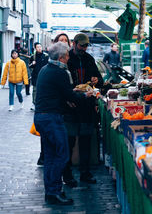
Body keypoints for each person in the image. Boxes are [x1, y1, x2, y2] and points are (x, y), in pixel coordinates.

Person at [34, 42, 92, 205]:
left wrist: (69, 95)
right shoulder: (59, 72)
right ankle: (54, 190)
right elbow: (69, 95)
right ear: (61, 58)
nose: (68, 58)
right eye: (67, 55)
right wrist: (86, 95)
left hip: (42, 117)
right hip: (52, 118)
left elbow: (58, 93)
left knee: (51, 156)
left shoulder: (46, 69)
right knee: (61, 154)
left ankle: (51, 192)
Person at [64, 33, 103, 184]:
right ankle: (67, 175)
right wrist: (67, 98)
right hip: (72, 105)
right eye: (82, 45)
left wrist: (97, 80)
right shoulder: (67, 59)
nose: (84, 48)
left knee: (86, 140)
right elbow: (63, 84)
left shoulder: (89, 59)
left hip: (86, 106)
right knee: (70, 141)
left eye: (86, 46)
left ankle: (85, 172)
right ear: (74, 44)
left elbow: (99, 80)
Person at [30, 42, 49, 111]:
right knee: (35, 90)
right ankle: (34, 103)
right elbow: (30, 66)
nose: (39, 48)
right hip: (35, 75)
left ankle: (43, 103)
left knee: (43, 90)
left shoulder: (46, 56)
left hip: (44, 76)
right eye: (38, 47)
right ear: (35, 48)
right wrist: (32, 64)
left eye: (40, 47)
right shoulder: (33, 57)